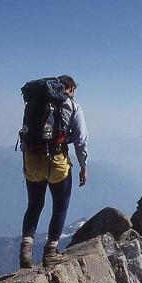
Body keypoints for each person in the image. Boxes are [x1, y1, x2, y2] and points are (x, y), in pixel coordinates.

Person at [20, 74, 88, 267]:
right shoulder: (73, 106)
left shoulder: (35, 101)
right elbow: (81, 139)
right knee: (60, 206)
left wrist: (28, 160)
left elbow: (26, 133)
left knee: (34, 204)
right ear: (71, 88)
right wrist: (83, 166)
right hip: (57, 162)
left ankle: (25, 250)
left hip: (32, 160)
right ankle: (50, 251)